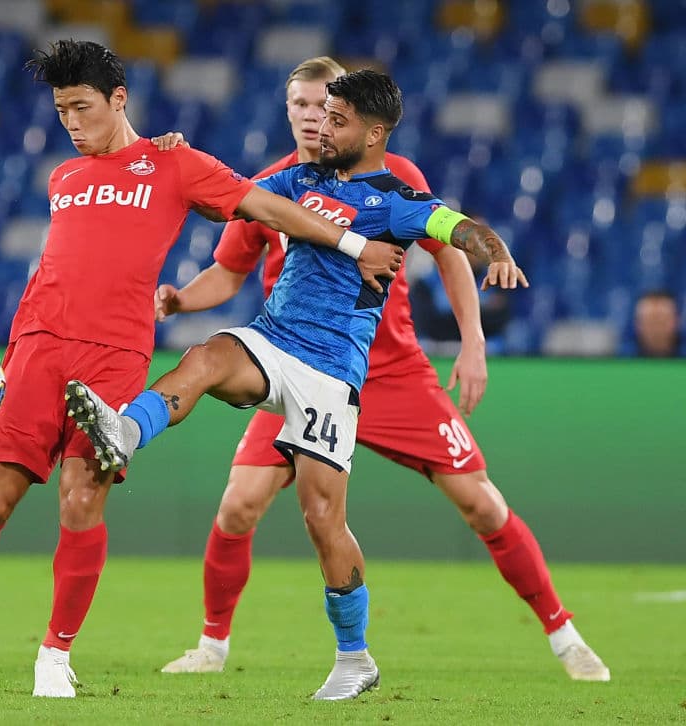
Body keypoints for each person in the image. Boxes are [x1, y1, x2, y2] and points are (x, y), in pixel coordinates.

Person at [0, 40, 406, 699]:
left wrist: (352, 242)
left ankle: (54, 656)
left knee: (82, 497)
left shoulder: (172, 163)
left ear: (119, 100)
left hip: (114, 355)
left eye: (82, 107)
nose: (72, 123)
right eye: (61, 112)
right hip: (35, 347)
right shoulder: (64, 178)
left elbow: (264, 207)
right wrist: (12, 353)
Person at [67, 69, 528, 700]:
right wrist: (162, 151)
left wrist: (494, 250)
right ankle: (121, 431)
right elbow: (226, 194)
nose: (321, 126)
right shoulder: (296, 180)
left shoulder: (394, 199)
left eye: (336, 119)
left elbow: (458, 230)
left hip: (331, 371)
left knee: (321, 518)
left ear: (374, 132)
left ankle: (355, 656)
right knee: (204, 360)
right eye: (317, 113)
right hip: (272, 339)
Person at [151, 58, 609, 684]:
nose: (315, 118)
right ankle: (212, 645)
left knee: (481, 505)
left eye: (327, 108)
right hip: (294, 363)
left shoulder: (392, 181)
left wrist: (472, 340)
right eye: (303, 106)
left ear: (357, 122)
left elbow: (448, 249)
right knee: (238, 507)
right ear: (288, 111)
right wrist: (179, 299)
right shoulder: (273, 185)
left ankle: (565, 635)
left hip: (390, 372)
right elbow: (227, 272)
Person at [626, 289, 681, 357]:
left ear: (676, 321)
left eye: (662, 321)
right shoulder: (619, 358)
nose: (656, 329)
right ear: (637, 324)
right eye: (650, 322)